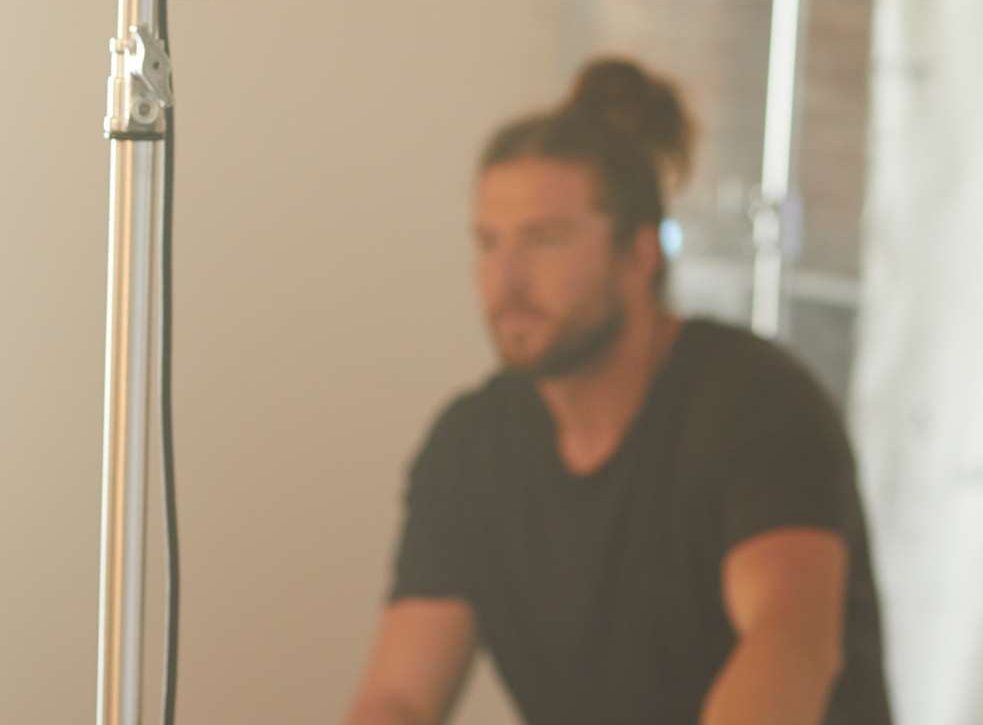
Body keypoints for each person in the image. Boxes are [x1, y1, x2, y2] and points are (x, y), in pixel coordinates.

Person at [341, 56, 894, 725]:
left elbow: (790, 646)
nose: (504, 279)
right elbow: (399, 696)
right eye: (488, 243)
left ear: (638, 253)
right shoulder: (470, 447)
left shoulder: (756, 405)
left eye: (543, 241)